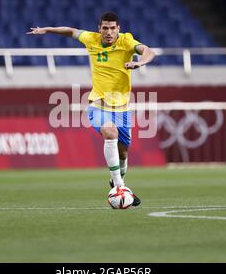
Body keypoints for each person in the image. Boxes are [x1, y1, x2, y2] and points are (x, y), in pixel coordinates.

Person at [27, 11, 155, 206]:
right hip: (98, 105)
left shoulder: (127, 41)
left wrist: (141, 62)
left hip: (122, 109)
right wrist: (47, 30)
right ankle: (119, 186)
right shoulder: (91, 39)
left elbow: (148, 51)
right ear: (99, 29)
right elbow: (70, 31)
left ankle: (117, 180)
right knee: (110, 133)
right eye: (105, 28)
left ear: (118, 29)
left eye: (113, 28)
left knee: (123, 153)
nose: (109, 32)